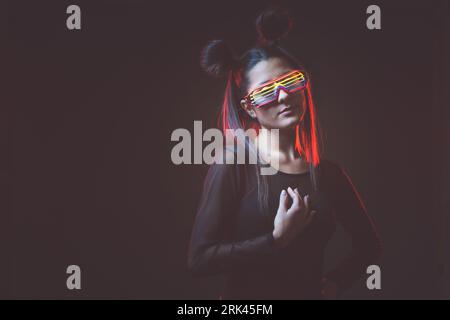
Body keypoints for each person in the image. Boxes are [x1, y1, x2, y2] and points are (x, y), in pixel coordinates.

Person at [187, 7, 381, 299]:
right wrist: (276, 240)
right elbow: (199, 260)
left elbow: (369, 246)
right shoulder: (234, 165)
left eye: (291, 82)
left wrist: (336, 283)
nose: (284, 96)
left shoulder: (328, 174)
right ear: (250, 108)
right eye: (266, 91)